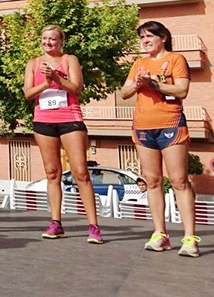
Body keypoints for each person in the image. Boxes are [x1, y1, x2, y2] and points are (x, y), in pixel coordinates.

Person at [120, 20, 199, 257]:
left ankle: (189, 238)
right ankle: (160, 234)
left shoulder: (176, 60)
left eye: (149, 36)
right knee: (152, 181)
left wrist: (154, 83)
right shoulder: (138, 63)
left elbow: (181, 90)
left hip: (170, 125)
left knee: (179, 180)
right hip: (143, 128)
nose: (144, 41)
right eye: (142, 37)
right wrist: (138, 82)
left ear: (162, 37)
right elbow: (124, 93)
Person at [23, 25, 103, 244]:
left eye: (52, 39)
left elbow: (77, 88)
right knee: (51, 172)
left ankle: (93, 226)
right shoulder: (33, 64)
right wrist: (46, 83)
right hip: (43, 121)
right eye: (44, 38)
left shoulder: (70, 60)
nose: (48, 42)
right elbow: (28, 93)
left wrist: (57, 80)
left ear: (61, 42)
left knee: (80, 172)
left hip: (70, 119)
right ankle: (55, 222)